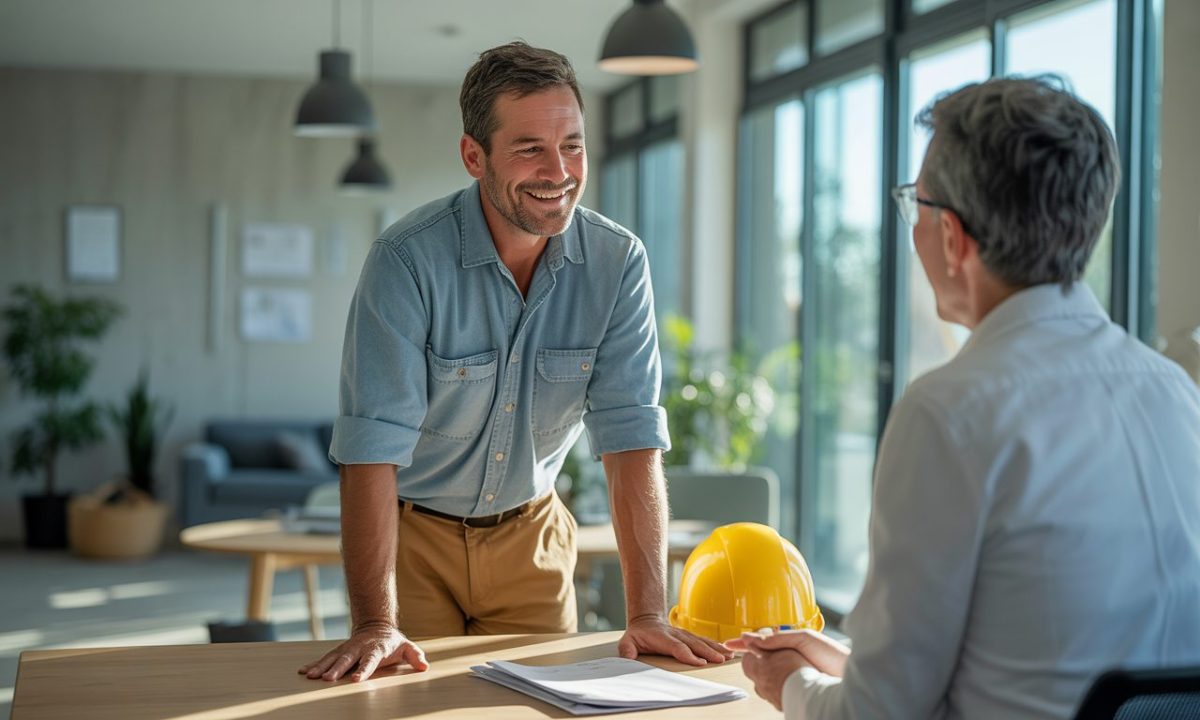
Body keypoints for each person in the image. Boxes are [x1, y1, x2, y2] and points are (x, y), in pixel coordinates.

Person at [734, 76, 1200, 718]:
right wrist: (844, 661)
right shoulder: (1176, 392)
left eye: (916, 205)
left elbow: (877, 717)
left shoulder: (950, 412)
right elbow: (1043, 666)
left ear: (953, 239)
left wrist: (786, 681)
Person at [299, 41, 731, 683]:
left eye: (573, 146)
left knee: (544, 704)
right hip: (413, 544)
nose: (559, 171)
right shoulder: (406, 261)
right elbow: (371, 449)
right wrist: (374, 623)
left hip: (533, 537)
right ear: (474, 156)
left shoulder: (617, 263)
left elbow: (631, 436)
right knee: (408, 704)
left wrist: (648, 613)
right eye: (530, 148)